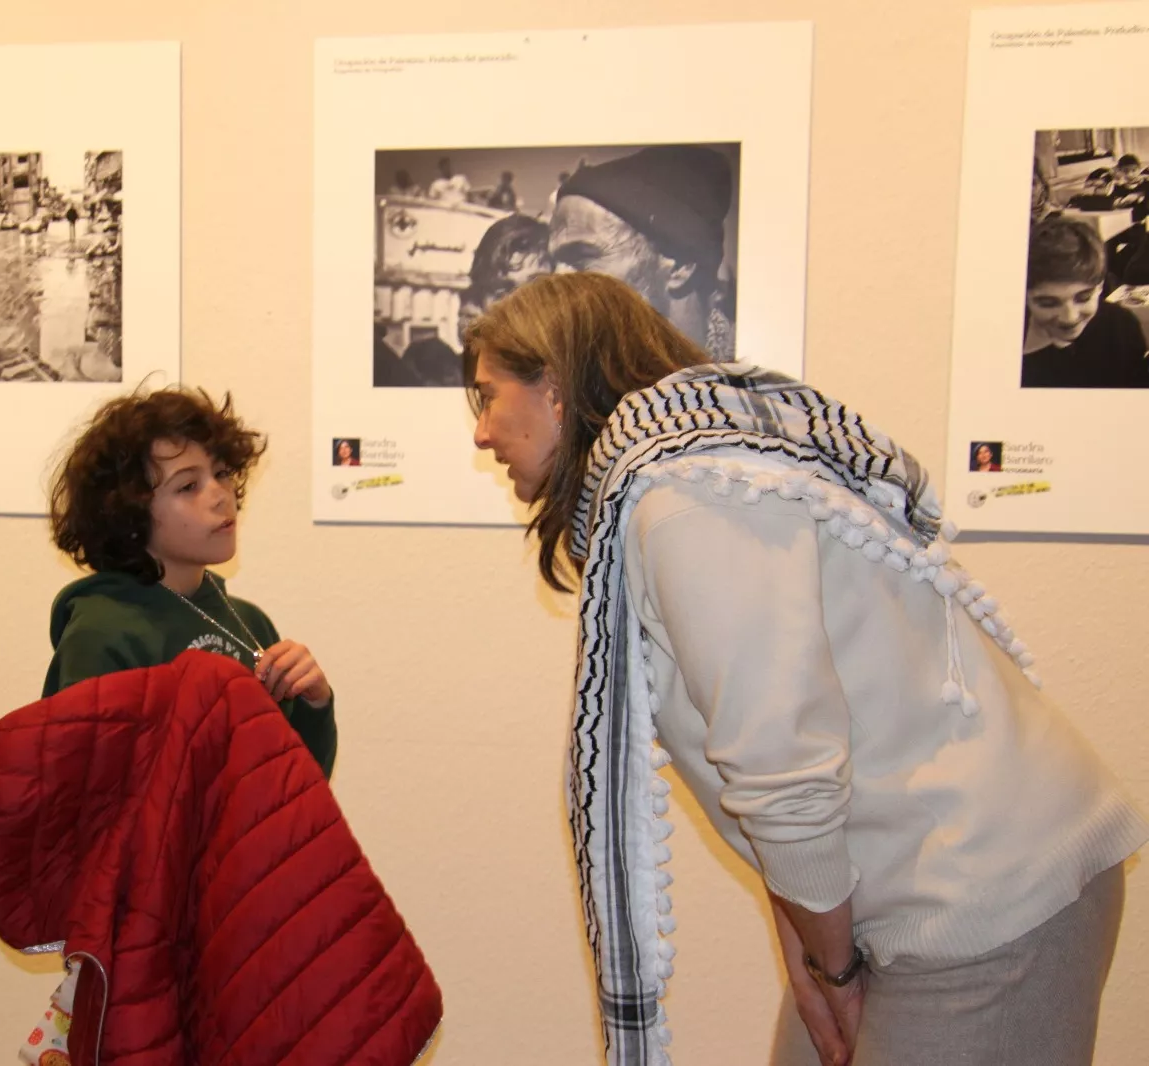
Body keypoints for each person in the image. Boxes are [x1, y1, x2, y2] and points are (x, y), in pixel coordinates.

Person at [463, 271, 1147, 1066]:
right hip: (889, 892)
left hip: (985, 897)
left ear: (553, 387)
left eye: (488, 396)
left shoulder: (685, 498)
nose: (481, 433)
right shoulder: (683, 478)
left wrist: (834, 967)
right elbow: (769, 765)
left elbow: (782, 764)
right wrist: (812, 946)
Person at [45, 386, 337, 776]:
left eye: (222, 474)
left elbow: (298, 788)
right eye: (188, 486)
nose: (220, 495)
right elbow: (88, 792)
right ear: (127, 513)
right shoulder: (102, 635)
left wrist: (315, 704)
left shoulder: (250, 623)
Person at [549, 146, 737, 360]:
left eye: (581, 259)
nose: (555, 280)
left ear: (680, 266)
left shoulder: (746, 376)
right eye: (555, 262)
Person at [1022, 216, 1149, 388]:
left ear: (1100, 287)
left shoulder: (1121, 326)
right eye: (1048, 303)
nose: (1069, 318)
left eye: (1083, 298)